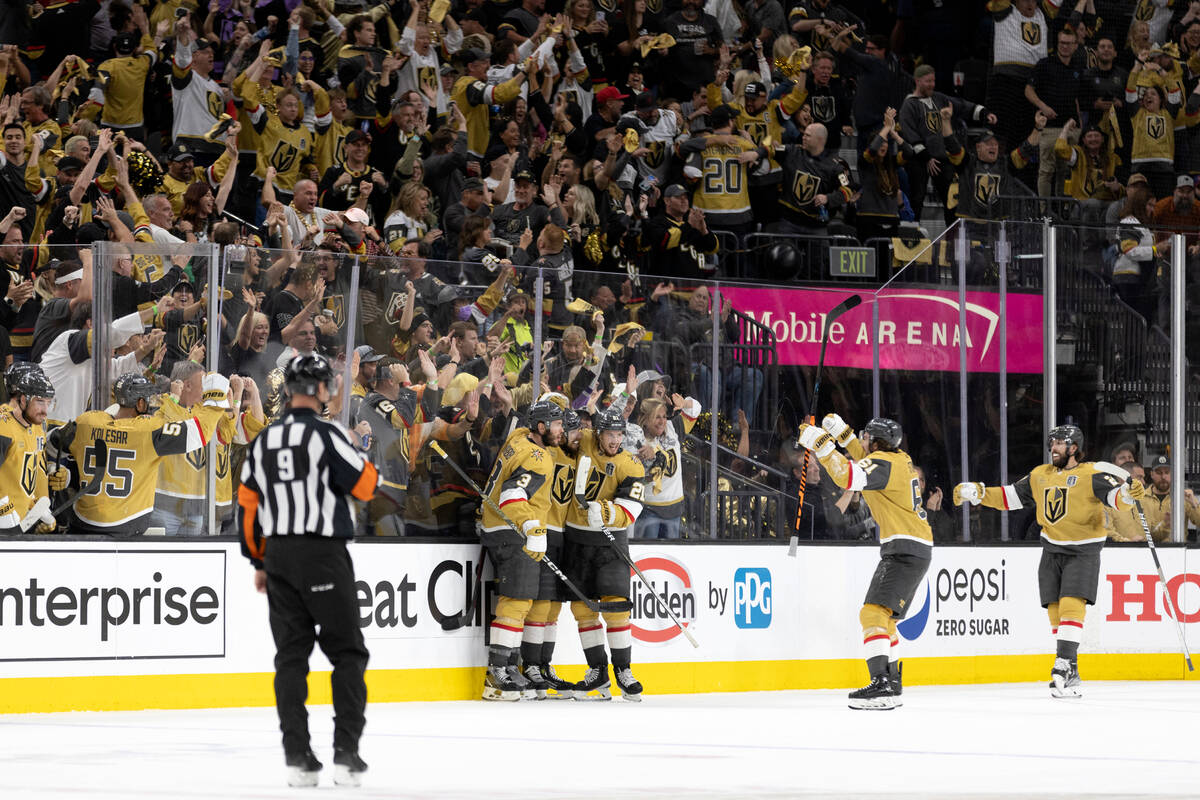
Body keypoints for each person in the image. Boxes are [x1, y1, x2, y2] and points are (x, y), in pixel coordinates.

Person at [238, 354, 378, 787]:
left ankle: (298, 758)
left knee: (291, 658)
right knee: (348, 652)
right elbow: (366, 486)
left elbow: (247, 506)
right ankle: (346, 755)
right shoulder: (328, 434)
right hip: (323, 554)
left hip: (278, 556)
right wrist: (359, 453)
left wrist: (258, 560)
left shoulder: (266, 440)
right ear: (319, 390)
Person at [952, 424, 1145, 699]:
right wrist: (980, 493)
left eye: (1059, 443)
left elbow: (1116, 499)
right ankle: (1072, 670)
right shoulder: (1040, 475)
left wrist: (1127, 495)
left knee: (1070, 605)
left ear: (1074, 448)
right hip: (1051, 549)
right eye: (1051, 443)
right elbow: (1011, 497)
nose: (1052, 448)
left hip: (1083, 550)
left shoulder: (1092, 473)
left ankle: (1063, 663)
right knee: (1055, 611)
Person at [797, 414, 931, 709]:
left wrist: (821, 444)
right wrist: (842, 434)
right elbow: (863, 458)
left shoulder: (883, 464)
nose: (862, 440)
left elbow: (849, 475)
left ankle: (881, 684)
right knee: (885, 620)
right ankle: (892, 684)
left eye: (865, 436)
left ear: (876, 442)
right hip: (913, 547)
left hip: (905, 549)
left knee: (871, 615)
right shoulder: (897, 460)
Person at [477, 400, 563, 701]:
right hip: (512, 529)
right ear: (540, 428)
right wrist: (532, 527)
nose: (560, 430)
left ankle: (510, 668)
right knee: (517, 602)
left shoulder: (518, 438)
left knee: (520, 601)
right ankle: (496, 675)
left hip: (496, 525)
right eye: (555, 424)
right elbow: (514, 494)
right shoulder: (538, 457)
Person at [64, 373, 223, 535]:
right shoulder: (149, 430)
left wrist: (65, 473)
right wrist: (216, 397)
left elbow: (52, 445)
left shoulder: (87, 422)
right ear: (140, 404)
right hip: (126, 529)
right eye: (149, 399)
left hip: (82, 526)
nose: (153, 403)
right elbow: (199, 432)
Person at [562, 405, 647, 701]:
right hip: (576, 539)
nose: (615, 440)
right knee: (583, 609)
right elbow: (562, 438)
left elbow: (632, 508)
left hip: (611, 544)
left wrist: (608, 511)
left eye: (619, 434)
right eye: (610, 433)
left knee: (618, 607)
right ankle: (597, 672)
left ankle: (623, 670)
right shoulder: (583, 440)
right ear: (599, 433)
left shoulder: (631, 465)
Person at [0, 364, 56, 534]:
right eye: (40, 400)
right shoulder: (3, 425)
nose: (45, 410)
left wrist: (39, 506)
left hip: (22, 516)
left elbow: (31, 468)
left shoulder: (33, 423)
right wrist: (4, 508)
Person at [1139, 455, 1200, 542]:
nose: (1163, 477)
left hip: (1177, 550)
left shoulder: (1182, 497)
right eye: (1159, 473)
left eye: (1167, 472)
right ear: (1152, 474)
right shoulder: (1141, 498)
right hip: (1149, 550)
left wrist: (1194, 504)